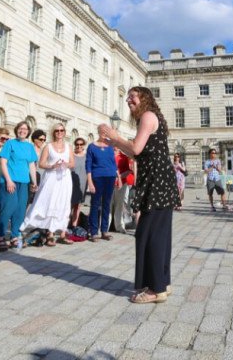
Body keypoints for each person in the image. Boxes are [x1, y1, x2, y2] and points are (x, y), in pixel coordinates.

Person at [99, 86, 180, 304]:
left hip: (157, 180)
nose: (128, 100)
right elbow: (137, 151)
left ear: (144, 98)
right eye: (127, 98)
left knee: (148, 233)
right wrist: (114, 142)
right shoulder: (152, 117)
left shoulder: (147, 116)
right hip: (158, 179)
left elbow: (135, 149)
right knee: (159, 234)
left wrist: (115, 136)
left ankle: (155, 289)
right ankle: (162, 283)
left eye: (132, 96)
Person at [21, 123, 74, 246]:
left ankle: (59, 231)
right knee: (48, 202)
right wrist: (52, 166)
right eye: (57, 131)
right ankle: (49, 234)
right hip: (51, 178)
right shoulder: (48, 147)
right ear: (53, 132)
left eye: (61, 130)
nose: (59, 132)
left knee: (62, 203)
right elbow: (41, 164)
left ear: (65, 132)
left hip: (65, 179)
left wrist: (65, 164)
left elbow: (72, 163)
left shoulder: (68, 147)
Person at [0, 121, 38, 251]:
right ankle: (0, 237)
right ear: (16, 130)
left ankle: (14, 236)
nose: (22, 131)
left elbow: (31, 165)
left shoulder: (30, 146)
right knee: (8, 208)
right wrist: (8, 180)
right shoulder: (10, 143)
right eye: (20, 128)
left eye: (25, 129)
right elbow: (3, 162)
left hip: (24, 182)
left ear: (28, 132)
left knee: (20, 210)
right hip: (10, 181)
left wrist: (34, 181)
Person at [86, 128, 118, 241]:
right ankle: (94, 232)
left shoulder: (110, 146)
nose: (104, 133)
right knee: (95, 204)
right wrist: (90, 181)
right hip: (97, 177)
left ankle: (104, 230)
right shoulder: (92, 146)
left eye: (106, 131)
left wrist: (117, 175)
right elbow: (88, 165)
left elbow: (113, 162)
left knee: (107, 204)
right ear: (98, 132)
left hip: (110, 177)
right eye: (102, 131)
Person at [114, 148, 136, 231]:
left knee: (121, 203)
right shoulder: (109, 154)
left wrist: (119, 177)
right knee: (108, 205)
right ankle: (105, 227)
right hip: (109, 182)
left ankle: (120, 226)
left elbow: (128, 170)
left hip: (123, 183)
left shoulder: (124, 157)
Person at [70, 137, 87, 228]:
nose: (79, 146)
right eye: (77, 144)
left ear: (83, 146)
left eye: (81, 144)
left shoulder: (87, 157)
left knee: (78, 205)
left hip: (83, 184)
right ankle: (65, 225)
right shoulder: (71, 155)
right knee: (69, 205)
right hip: (71, 184)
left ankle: (74, 225)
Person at [27, 129, 47, 206]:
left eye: (44, 140)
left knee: (37, 201)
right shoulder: (29, 149)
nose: (43, 141)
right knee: (29, 199)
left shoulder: (44, 150)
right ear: (35, 139)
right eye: (41, 139)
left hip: (42, 177)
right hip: (30, 177)